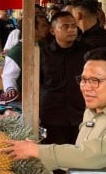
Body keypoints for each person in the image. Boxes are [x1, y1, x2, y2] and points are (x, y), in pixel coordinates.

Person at [2, 47, 106, 172]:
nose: (86, 87)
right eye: (83, 79)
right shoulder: (93, 110)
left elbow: (93, 157)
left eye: (95, 80)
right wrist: (36, 152)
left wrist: (38, 151)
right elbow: (79, 152)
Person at [39, 12, 91, 150]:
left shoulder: (86, 53)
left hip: (81, 114)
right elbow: (38, 83)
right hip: (52, 116)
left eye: (74, 26)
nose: (71, 30)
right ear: (52, 30)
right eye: (65, 26)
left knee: (80, 156)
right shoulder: (43, 54)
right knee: (55, 158)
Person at [1, 14, 50, 101]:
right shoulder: (17, 52)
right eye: (43, 26)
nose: (47, 28)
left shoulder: (44, 45)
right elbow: (8, 77)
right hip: (25, 99)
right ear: (32, 29)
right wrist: (11, 89)